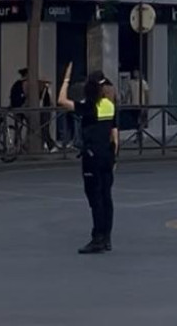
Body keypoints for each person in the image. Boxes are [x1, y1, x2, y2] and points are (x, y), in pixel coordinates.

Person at [57, 64, 119, 254]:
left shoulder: (88, 107)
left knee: (95, 198)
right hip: (107, 156)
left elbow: (61, 100)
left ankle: (97, 238)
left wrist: (66, 79)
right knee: (106, 197)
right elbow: (115, 135)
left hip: (92, 156)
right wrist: (115, 158)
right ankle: (106, 238)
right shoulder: (109, 105)